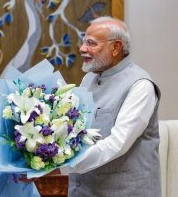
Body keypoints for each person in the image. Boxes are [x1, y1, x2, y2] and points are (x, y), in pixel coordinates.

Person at [59, 16, 161, 196]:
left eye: (91, 43)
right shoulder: (89, 78)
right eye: (83, 42)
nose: (82, 49)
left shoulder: (141, 85)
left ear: (116, 47)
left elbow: (117, 143)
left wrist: (64, 162)